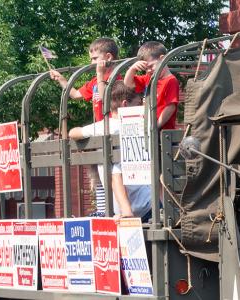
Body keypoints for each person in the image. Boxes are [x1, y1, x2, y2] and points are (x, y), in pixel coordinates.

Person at [68, 82, 153, 221]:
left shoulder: (103, 127)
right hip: (147, 205)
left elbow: (73, 132)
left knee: (114, 168)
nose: (140, 108)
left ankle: (126, 211)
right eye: (138, 104)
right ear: (125, 105)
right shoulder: (139, 125)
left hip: (122, 210)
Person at [123, 41, 180, 130]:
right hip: (149, 128)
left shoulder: (171, 81)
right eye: (146, 69)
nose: (148, 71)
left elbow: (170, 107)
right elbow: (127, 84)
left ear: (162, 59)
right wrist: (132, 69)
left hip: (163, 132)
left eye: (151, 66)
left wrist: (155, 126)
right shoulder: (149, 78)